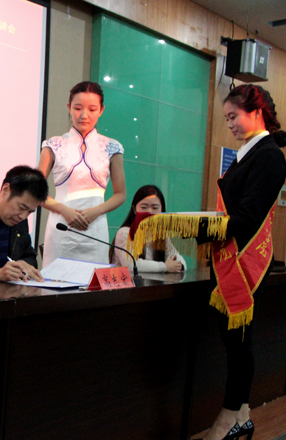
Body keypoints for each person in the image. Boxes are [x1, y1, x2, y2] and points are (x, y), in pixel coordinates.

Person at [194, 85, 286, 440]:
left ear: (256, 112)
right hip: (230, 257)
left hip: (245, 261)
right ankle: (242, 416)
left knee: (239, 344)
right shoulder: (250, 152)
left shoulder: (268, 156)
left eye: (233, 116)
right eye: (227, 117)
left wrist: (198, 227)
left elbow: (246, 219)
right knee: (235, 342)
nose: (229, 124)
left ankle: (228, 418)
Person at [38, 81, 126, 266]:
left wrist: (96, 211)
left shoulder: (111, 147)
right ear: (69, 107)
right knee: (56, 279)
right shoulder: (53, 145)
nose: (84, 115)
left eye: (92, 109)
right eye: (78, 108)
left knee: (93, 280)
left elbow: (120, 194)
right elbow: (35, 192)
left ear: (101, 110)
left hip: (95, 228)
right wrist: (64, 210)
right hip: (61, 226)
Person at [110, 185, 186, 273]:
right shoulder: (125, 233)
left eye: (155, 208)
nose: (149, 212)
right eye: (144, 207)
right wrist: (165, 267)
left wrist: (179, 265)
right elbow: (131, 264)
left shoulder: (161, 234)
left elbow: (176, 256)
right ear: (134, 209)